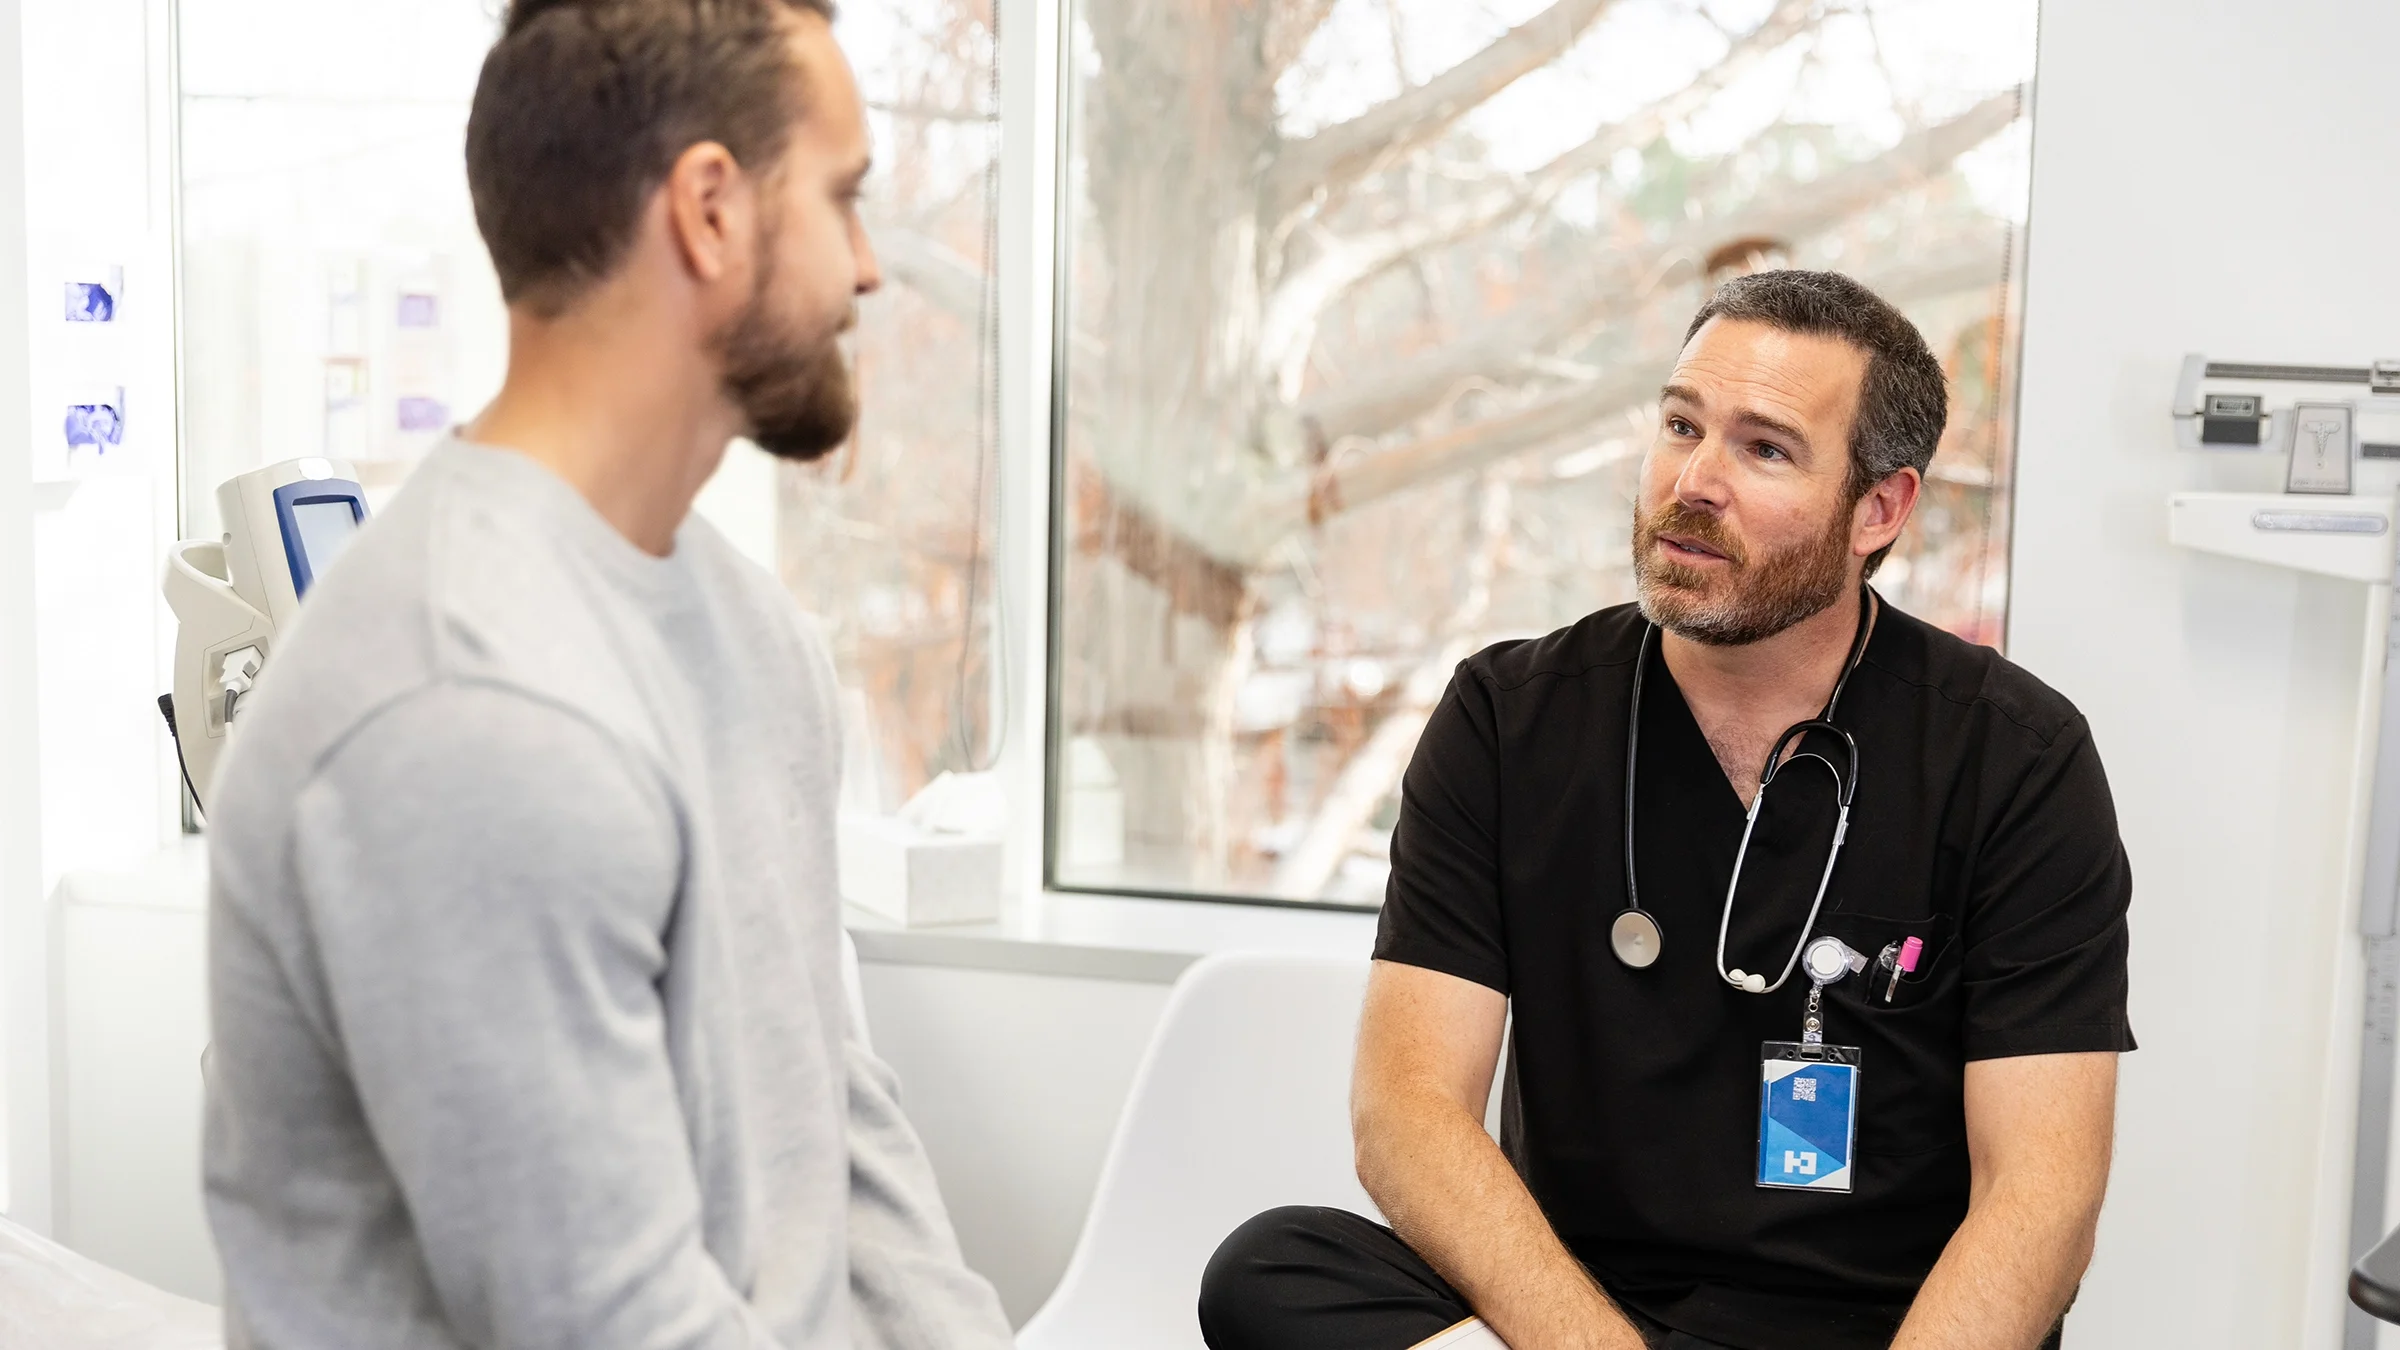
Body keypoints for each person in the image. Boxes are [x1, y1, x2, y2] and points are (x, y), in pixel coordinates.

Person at [200, 3, 1014, 1348]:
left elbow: (837, 1129)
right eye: (843, 199)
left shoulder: (754, 634)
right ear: (709, 210)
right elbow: (603, 1321)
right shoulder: (465, 702)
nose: (870, 268)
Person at [1199, 271, 2134, 1350]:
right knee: (1275, 1270)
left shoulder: (2013, 758)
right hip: (1575, 1318)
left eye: (1764, 448)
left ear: (1880, 509)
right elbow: (1408, 1117)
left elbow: (2043, 1195)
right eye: (1681, 425)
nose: (1693, 480)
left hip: (1875, 1331)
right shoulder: (1509, 722)